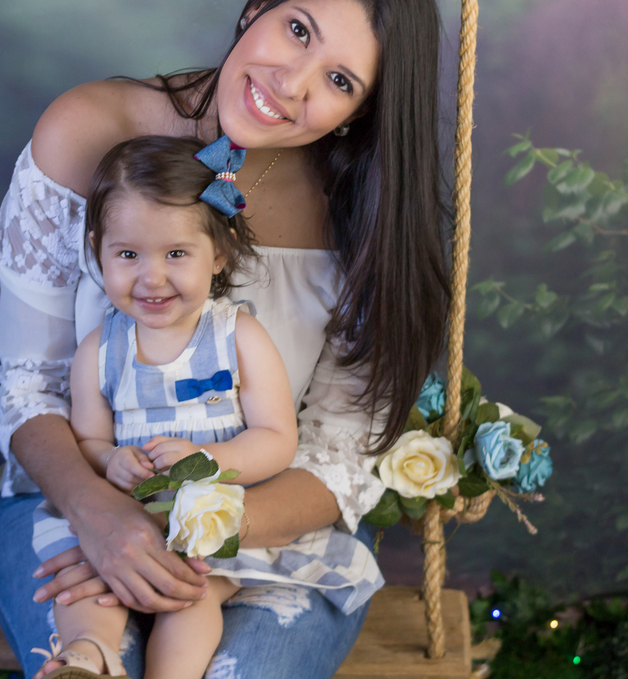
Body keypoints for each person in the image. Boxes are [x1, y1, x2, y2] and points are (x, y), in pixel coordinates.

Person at [0, 0, 450, 679]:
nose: (290, 83)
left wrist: (200, 528)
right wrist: (103, 514)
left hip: (274, 526)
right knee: (91, 656)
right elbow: (29, 385)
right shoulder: (90, 132)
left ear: (362, 113)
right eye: (297, 29)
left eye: (338, 79)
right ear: (258, 5)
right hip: (73, 498)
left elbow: (336, 460)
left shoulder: (364, 223)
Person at [29, 136, 383, 678]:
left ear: (217, 253)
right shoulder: (100, 351)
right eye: (128, 254)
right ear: (98, 248)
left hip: (210, 527)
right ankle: (87, 657)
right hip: (129, 519)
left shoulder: (237, 335)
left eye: (176, 254)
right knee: (90, 585)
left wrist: (208, 460)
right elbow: (90, 441)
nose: (151, 277)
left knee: (190, 597)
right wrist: (109, 462)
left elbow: (276, 439)